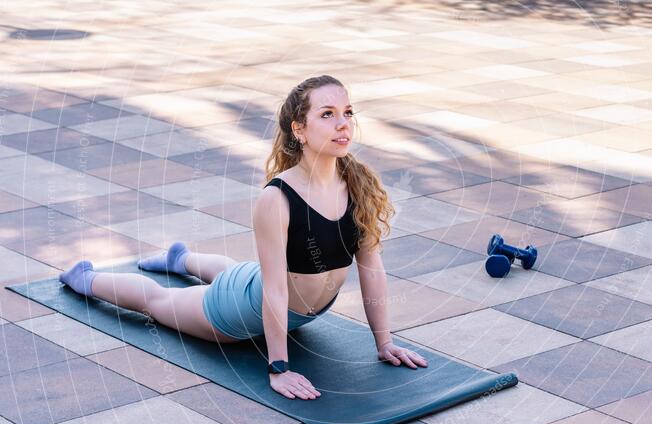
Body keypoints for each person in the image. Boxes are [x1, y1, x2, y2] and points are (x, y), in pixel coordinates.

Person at [59, 74, 427, 401]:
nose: (343, 124)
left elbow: (372, 268)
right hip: (237, 311)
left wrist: (385, 343)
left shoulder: (357, 182)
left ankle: (180, 259)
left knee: (238, 271)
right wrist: (279, 367)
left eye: (347, 112)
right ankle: (84, 278)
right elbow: (274, 289)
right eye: (327, 114)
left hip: (292, 308)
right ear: (299, 129)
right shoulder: (278, 197)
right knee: (158, 301)